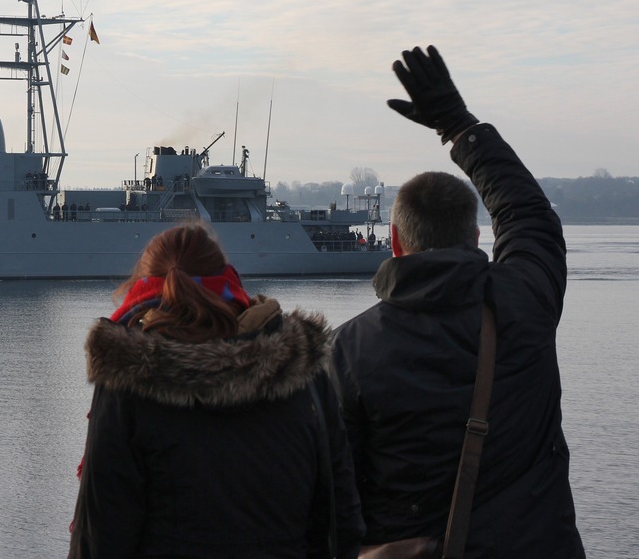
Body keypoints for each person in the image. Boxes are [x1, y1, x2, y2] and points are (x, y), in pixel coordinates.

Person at [329, 46, 585, 557]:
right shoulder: (526, 302)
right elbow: (528, 215)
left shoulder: (348, 351)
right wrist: (456, 123)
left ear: (396, 244)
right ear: (474, 236)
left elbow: (335, 491)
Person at [69, 223, 364, 558]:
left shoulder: (128, 384)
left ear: (142, 289)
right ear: (228, 280)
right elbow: (342, 521)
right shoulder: (304, 374)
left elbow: (100, 537)